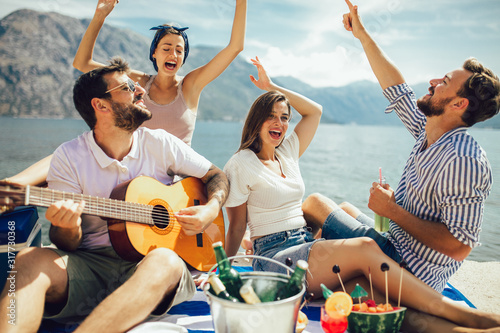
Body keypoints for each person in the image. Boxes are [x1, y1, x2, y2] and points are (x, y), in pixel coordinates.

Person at [223, 57, 500, 332]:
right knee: (363, 251)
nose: (280, 123)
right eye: (271, 116)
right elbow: (236, 225)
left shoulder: (287, 152)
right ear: (256, 119)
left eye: (284, 117)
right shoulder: (241, 163)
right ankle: (460, 315)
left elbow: (314, 112)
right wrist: (222, 269)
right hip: (276, 259)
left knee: (363, 288)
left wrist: (273, 86)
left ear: (459, 103)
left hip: (303, 243)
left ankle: (464, 326)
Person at [0, 58, 229, 332]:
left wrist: (210, 209)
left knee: (166, 260)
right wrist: (68, 227)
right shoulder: (69, 157)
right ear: (101, 105)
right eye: (129, 87)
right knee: (29, 260)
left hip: (151, 266)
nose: (141, 90)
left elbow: (216, 176)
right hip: (91, 266)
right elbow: (65, 243)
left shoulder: (162, 144)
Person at [302, 0, 500, 294]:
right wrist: (362, 34)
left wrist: (392, 210)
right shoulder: (429, 130)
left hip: (406, 270)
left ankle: (303, 271)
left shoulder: (463, 158)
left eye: (444, 82)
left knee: (314, 203)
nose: (433, 81)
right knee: (342, 208)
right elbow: (396, 88)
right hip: (395, 245)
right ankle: (319, 266)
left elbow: (458, 246)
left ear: (459, 104)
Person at [3, 0, 246, 186]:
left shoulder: (190, 86)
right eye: (166, 48)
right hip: (138, 172)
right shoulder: (137, 82)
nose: (173, 54)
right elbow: (82, 62)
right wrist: (100, 14)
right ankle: (13, 185)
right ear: (154, 53)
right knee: (72, 153)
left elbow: (235, 46)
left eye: (179, 50)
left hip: (176, 184)